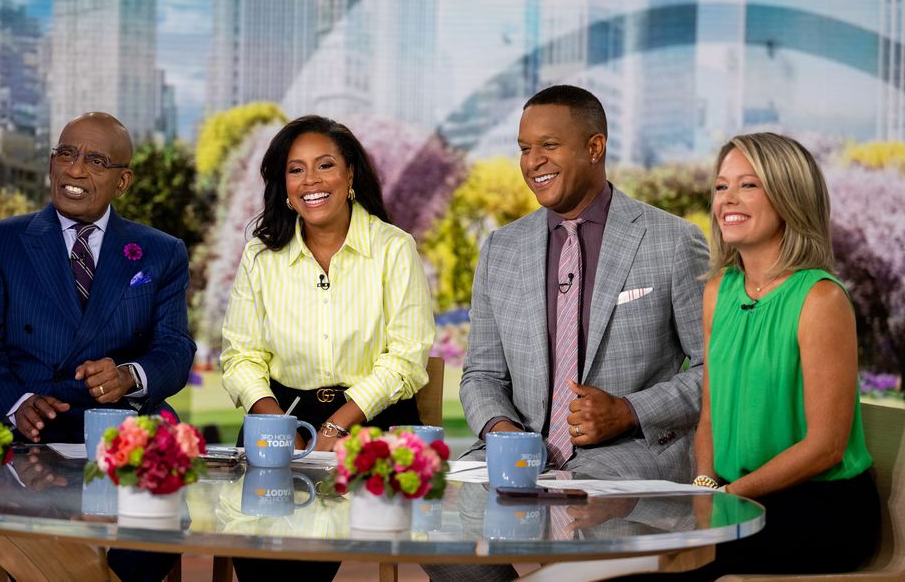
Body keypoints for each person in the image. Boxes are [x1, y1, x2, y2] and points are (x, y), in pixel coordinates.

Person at [426, 85, 708, 582]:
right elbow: (481, 374)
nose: (533, 161)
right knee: (430, 528)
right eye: (523, 148)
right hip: (514, 462)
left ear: (594, 147)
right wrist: (502, 431)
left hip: (625, 463)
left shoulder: (672, 241)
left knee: (573, 534)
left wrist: (628, 411)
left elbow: (715, 372)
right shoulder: (501, 248)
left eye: (548, 146)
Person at [0, 111, 194, 582]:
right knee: (41, 546)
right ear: (51, 162)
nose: (75, 169)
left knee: (157, 527)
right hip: (30, 441)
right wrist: (18, 403)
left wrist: (129, 375)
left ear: (123, 181)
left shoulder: (161, 251)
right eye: (66, 153)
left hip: (125, 438)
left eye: (95, 160)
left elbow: (175, 348)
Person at [220, 114, 435, 580]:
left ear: (351, 174)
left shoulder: (393, 248)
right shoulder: (260, 255)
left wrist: (336, 430)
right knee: (267, 557)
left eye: (325, 165)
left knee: (318, 541)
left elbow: (406, 355)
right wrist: (280, 426)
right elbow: (241, 355)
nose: (310, 181)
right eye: (296, 170)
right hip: (278, 414)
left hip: (373, 420)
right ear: (283, 183)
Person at [683, 132, 880, 578]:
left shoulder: (820, 299)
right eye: (721, 186)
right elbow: (710, 416)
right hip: (736, 498)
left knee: (675, 564)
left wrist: (730, 495)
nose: (728, 198)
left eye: (748, 185)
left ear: (789, 196)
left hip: (820, 507)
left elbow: (825, 447)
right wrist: (703, 486)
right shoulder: (719, 291)